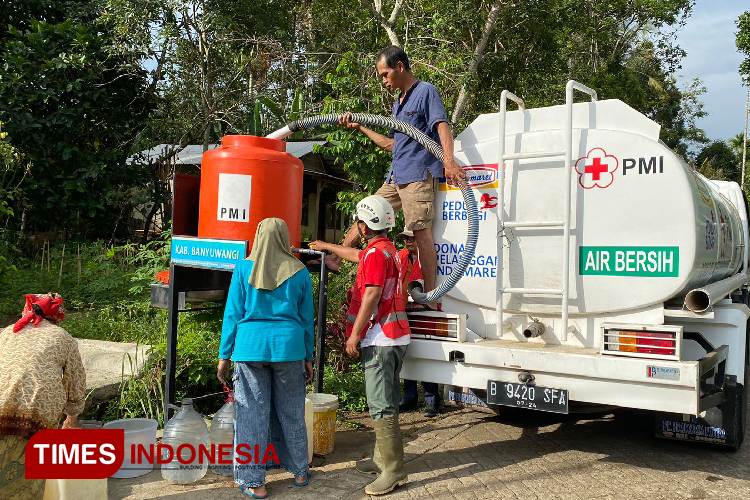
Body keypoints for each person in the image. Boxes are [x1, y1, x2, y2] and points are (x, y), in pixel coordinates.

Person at [331, 45, 466, 308]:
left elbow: (441, 126)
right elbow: (394, 145)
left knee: (420, 234)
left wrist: (448, 162)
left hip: (417, 175)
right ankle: (335, 258)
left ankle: (430, 297)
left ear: (400, 67)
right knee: (366, 211)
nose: (383, 81)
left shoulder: (425, 91)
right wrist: (361, 127)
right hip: (396, 175)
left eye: (385, 74)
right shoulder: (398, 103)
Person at [310, 195, 411, 496]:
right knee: (389, 398)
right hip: (396, 335)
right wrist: (328, 247)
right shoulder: (386, 250)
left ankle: (393, 470)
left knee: (379, 403)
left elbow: (371, 295)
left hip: (380, 337)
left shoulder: (375, 255)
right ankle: (382, 459)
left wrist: (354, 335)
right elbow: (358, 257)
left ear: (364, 226)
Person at [217, 218, 314, 499]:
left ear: (258, 237)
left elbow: (233, 314)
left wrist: (224, 355)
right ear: (285, 238)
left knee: (251, 415)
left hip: (250, 349)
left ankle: (253, 481)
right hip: (290, 348)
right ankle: (299, 470)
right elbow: (307, 319)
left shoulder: (244, 268)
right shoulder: (299, 272)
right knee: (291, 411)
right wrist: (308, 356)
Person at [0, 293, 85, 500]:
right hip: (39, 409)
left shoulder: (7, 333)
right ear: (55, 315)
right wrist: (72, 417)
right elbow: (76, 381)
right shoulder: (63, 337)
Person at [396, 230, 441, 417]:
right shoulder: (401, 256)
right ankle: (409, 397)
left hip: (426, 311)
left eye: (411, 238)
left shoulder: (428, 255)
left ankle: (432, 399)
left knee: (428, 355)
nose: (408, 241)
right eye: (405, 238)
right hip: (406, 310)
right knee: (409, 354)